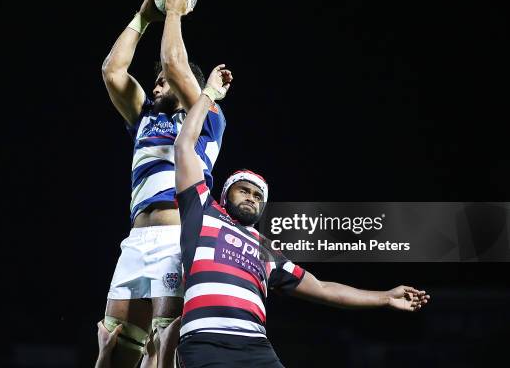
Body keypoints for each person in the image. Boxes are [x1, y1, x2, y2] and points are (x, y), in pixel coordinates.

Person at [172, 75, 431, 367]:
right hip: (205, 342)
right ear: (225, 194)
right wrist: (208, 94)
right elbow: (184, 146)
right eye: (243, 190)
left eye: (258, 196)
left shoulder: (265, 249)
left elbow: (322, 289)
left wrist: (385, 297)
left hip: (256, 347)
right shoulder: (203, 211)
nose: (251, 198)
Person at [100, 0, 228, 367]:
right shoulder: (144, 118)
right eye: (154, 82)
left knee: (166, 347)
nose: (157, 84)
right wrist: (143, 17)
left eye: (163, 82)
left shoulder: (207, 118)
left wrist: (173, 11)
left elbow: (175, 65)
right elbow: (112, 70)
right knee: (118, 344)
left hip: (176, 238)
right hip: (135, 242)